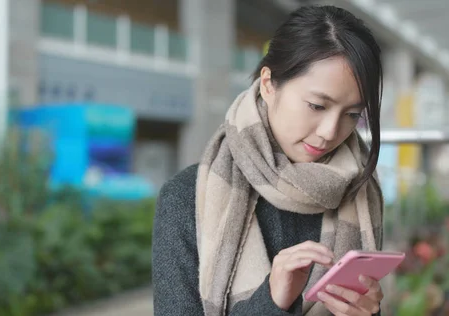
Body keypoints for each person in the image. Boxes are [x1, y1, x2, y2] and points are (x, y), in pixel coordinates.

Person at [152, 5, 384, 316]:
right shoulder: (186, 198)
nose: (330, 132)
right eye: (317, 105)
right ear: (268, 84)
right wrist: (272, 301)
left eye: (352, 114)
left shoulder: (360, 190)